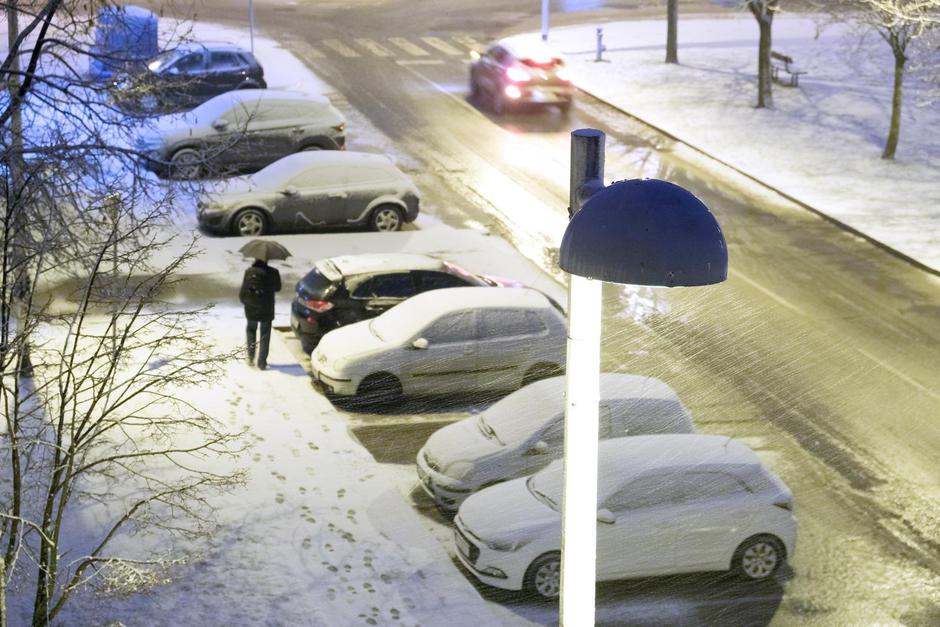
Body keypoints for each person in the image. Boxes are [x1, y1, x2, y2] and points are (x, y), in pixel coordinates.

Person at [239, 258, 281, 370]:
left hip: (251, 307)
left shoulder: (249, 271)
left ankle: (251, 357)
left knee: (251, 330)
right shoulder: (273, 272)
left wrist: (245, 301)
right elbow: (278, 288)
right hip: (267, 308)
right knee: (265, 335)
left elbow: (243, 289)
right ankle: (262, 362)